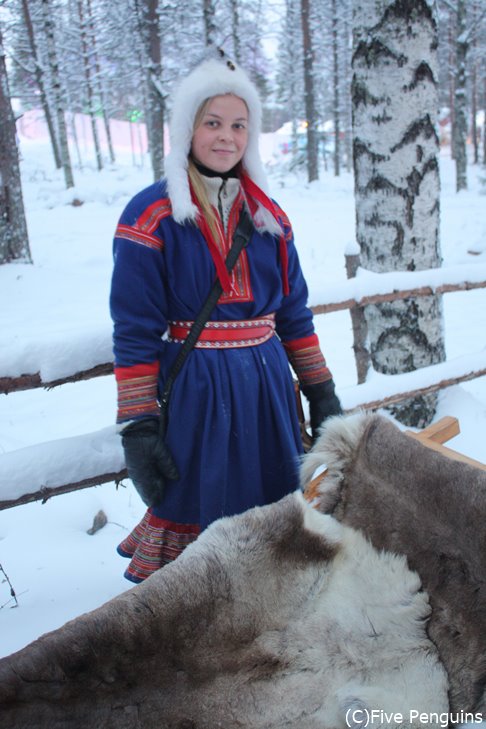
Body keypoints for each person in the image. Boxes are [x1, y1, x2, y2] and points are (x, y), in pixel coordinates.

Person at [110, 51, 342, 583]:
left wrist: (320, 391)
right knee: (199, 519)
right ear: (187, 130)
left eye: (239, 125)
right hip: (195, 395)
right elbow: (134, 330)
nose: (226, 137)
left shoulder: (269, 218)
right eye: (212, 122)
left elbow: (294, 315)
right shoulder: (150, 216)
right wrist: (139, 427)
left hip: (266, 391)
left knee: (273, 513)